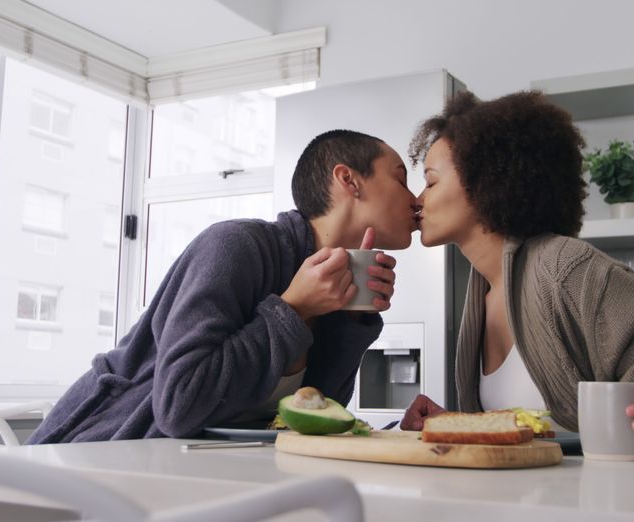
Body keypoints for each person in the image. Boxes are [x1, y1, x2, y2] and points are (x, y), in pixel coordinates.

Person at [28, 129, 418, 443]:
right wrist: (294, 311)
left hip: (200, 472)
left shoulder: (335, 289)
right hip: (95, 457)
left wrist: (352, 322)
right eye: (400, 178)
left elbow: (306, 416)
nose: (415, 199)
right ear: (348, 179)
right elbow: (179, 406)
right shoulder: (235, 246)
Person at [399, 91, 634, 456]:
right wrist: (459, 425)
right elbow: (540, 427)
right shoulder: (482, 293)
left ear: (486, 182)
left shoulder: (566, 266)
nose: (418, 199)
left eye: (431, 181)